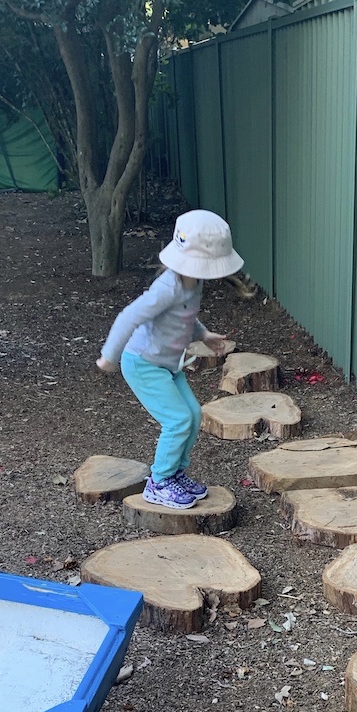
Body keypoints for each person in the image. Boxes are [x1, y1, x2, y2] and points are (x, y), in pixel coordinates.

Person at [95, 210, 243, 509]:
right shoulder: (166, 289)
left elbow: (184, 317)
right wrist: (109, 356)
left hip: (168, 364)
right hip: (143, 363)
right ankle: (159, 482)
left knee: (194, 414)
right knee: (177, 420)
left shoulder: (194, 283)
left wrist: (203, 334)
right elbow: (128, 317)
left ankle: (175, 473)